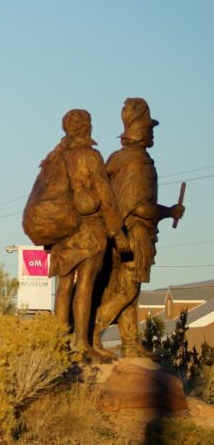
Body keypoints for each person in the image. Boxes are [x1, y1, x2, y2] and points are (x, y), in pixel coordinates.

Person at [92, 98, 184, 358]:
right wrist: (169, 212)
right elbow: (140, 207)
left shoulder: (117, 159)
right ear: (141, 131)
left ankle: (130, 344)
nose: (153, 133)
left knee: (130, 289)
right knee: (128, 289)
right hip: (134, 233)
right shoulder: (138, 162)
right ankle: (94, 330)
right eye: (150, 129)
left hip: (118, 233)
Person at [44, 110, 124, 359]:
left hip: (62, 228)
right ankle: (81, 342)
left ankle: (58, 342)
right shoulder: (91, 157)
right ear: (87, 127)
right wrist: (117, 232)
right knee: (86, 283)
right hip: (89, 228)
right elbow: (106, 195)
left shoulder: (55, 157)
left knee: (64, 285)